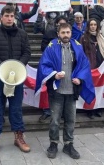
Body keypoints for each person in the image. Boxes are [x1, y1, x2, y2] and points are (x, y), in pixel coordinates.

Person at [36, 23, 95, 159]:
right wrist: (53, 75)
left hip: (71, 91)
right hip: (57, 91)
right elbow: (43, 64)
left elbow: (84, 65)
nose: (66, 35)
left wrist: (80, 78)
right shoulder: (51, 47)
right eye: (63, 33)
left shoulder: (77, 47)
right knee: (55, 120)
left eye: (68, 32)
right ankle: (53, 143)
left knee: (70, 120)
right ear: (58, 33)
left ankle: (69, 144)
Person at [0, 5, 31, 156]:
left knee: (16, 108)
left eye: (12, 16)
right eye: (7, 16)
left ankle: (19, 137)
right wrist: (4, 68)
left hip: (16, 78)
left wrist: (16, 67)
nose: (10, 19)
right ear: (1, 17)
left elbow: (27, 52)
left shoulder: (22, 34)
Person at [38, 15, 69, 122]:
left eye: (64, 24)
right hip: (52, 67)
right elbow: (43, 46)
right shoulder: (49, 33)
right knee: (50, 91)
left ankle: (63, 113)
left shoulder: (68, 37)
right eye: (60, 24)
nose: (62, 27)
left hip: (64, 68)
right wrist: (52, 48)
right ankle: (47, 111)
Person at [80, 19, 104, 119]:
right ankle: (90, 110)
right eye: (91, 24)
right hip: (90, 68)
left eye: (95, 24)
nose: (93, 26)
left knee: (100, 89)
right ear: (88, 26)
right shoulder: (84, 38)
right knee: (91, 89)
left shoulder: (101, 37)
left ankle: (99, 109)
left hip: (100, 67)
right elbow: (81, 53)